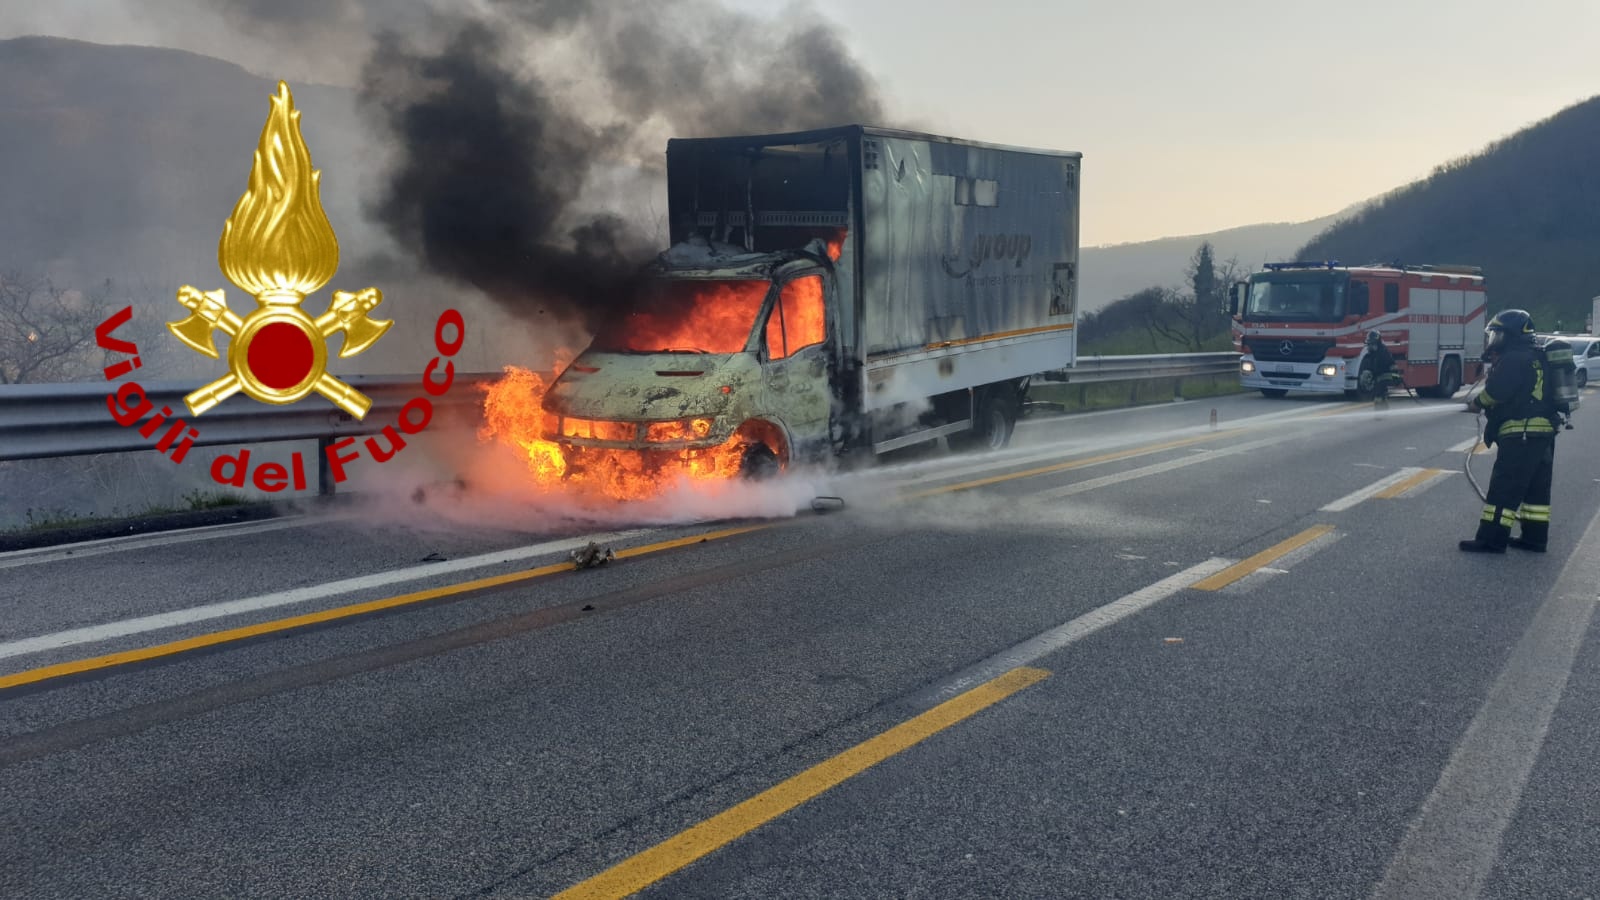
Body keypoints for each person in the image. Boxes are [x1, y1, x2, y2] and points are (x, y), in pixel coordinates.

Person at [1460, 309, 1556, 553]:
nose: (1494, 339)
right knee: (1536, 489)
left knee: (1505, 487)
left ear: (1510, 335)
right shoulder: (1539, 355)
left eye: (1498, 334)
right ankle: (1535, 539)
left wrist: (1477, 404)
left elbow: (1498, 392)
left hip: (1521, 433)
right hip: (1543, 433)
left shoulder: (1514, 358)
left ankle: (1491, 540)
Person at [1363, 331, 1401, 400]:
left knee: (1379, 391)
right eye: (1368, 344)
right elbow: (1373, 369)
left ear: (1376, 343)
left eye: (1371, 344)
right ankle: (1381, 405)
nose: (1369, 346)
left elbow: (1388, 367)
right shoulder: (1373, 354)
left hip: (1389, 376)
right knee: (1378, 392)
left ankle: (1381, 403)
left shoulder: (1382, 352)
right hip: (1381, 377)